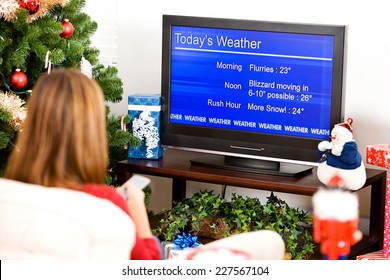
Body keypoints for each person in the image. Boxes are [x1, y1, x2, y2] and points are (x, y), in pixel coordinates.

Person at [4, 68, 161, 260]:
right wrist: (136, 207)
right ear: (92, 132)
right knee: (157, 245)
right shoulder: (106, 204)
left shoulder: (8, 195)